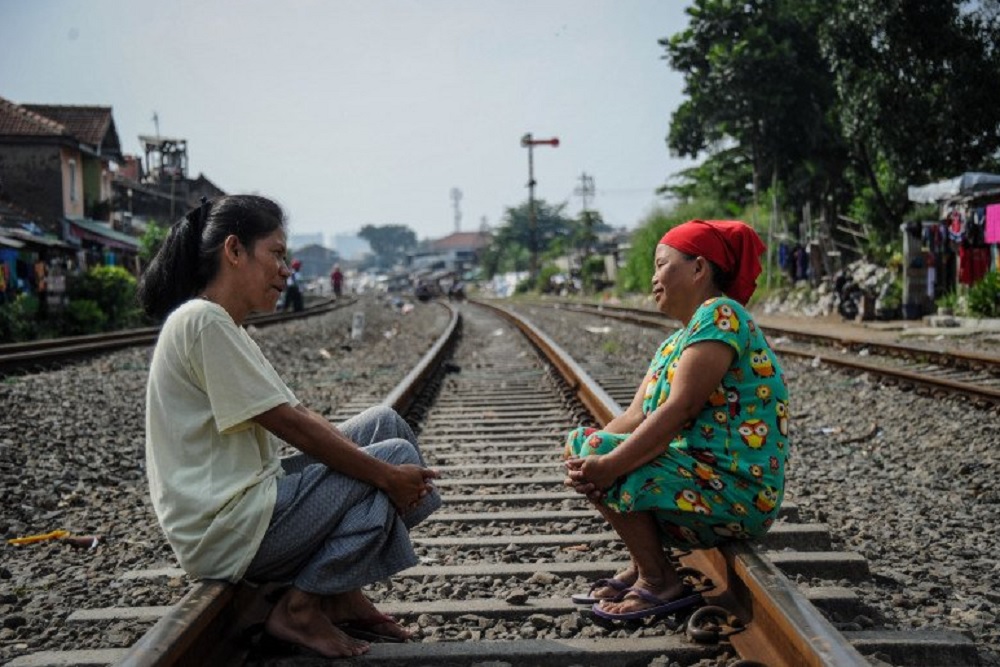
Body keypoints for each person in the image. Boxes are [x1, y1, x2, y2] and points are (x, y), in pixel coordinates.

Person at [136, 195, 441, 658]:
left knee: (385, 424)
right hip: (227, 528)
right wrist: (383, 474)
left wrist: (376, 471)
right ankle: (301, 607)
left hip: (247, 508)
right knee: (391, 460)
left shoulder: (225, 326)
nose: (286, 269)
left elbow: (298, 415)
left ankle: (339, 593)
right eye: (276, 254)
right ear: (234, 251)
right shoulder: (203, 321)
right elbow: (289, 426)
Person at [564, 219, 789, 621]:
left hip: (736, 489)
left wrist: (609, 464)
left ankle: (658, 579)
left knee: (605, 453)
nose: (653, 279)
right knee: (585, 440)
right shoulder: (676, 341)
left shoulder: (722, 314)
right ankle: (644, 564)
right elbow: (636, 416)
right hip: (697, 479)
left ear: (699, 268)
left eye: (661, 264)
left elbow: (680, 407)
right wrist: (583, 460)